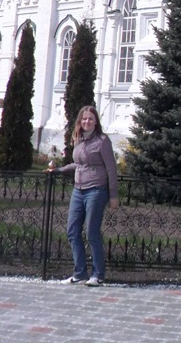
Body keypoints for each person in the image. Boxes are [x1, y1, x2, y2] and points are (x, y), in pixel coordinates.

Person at [50, 105, 119, 286]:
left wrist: (113, 195)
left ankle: (97, 274)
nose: (87, 121)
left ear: (96, 122)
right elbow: (78, 165)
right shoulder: (79, 140)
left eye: (90, 119)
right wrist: (58, 170)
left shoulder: (102, 141)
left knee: (91, 232)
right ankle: (80, 272)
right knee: (72, 231)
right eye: (84, 119)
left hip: (96, 190)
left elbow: (111, 168)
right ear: (80, 122)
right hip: (78, 190)